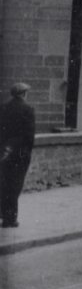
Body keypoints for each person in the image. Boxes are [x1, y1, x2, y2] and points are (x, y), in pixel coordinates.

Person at [0, 83, 38, 228]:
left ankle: (4, 214)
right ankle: (10, 219)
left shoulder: (3, 107)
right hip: (20, 153)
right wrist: (26, 154)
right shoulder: (28, 109)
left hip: (4, 152)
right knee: (15, 185)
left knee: (4, 183)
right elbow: (29, 137)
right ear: (23, 94)